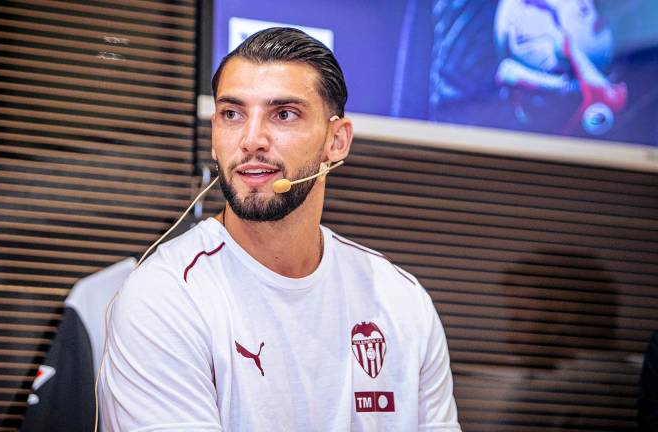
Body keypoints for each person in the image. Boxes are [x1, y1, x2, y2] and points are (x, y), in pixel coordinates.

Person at [99, 27, 460, 431]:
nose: (251, 140)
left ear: (336, 141)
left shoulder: (401, 300)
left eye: (283, 114)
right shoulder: (166, 296)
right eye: (232, 114)